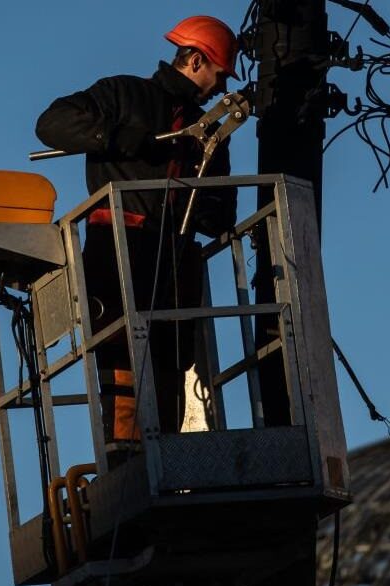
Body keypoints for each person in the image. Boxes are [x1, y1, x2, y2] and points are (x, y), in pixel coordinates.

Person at [35, 15, 239, 449]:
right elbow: (51, 123)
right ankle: (125, 456)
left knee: (170, 364)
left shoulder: (209, 131)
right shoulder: (122, 94)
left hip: (174, 260)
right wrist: (113, 136)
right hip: (119, 250)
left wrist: (206, 200)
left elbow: (219, 215)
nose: (221, 88)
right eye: (220, 75)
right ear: (196, 60)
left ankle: (162, 452)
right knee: (121, 355)